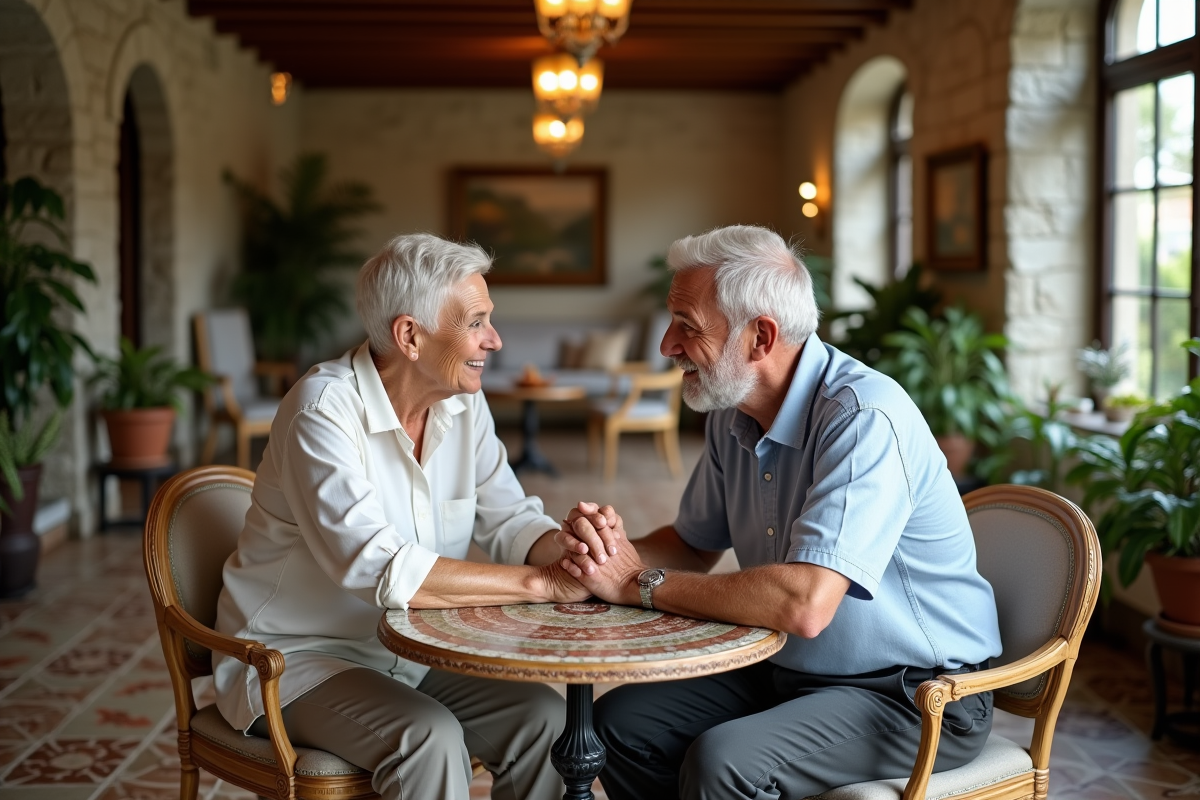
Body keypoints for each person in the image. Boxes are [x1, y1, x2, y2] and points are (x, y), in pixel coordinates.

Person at [555, 225, 1003, 800]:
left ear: (760, 337)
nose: (667, 345)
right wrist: (607, 555)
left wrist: (638, 583)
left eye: (687, 326)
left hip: (917, 695)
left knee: (725, 764)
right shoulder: (732, 411)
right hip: (789, 669)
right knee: (618, 726)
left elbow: (805, 603)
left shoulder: (863, 417)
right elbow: (691, 544)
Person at [213, 233, 603, 800]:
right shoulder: (321, 411)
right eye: (476, 322)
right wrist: (540, 584)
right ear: (410, 336)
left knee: (545, 718)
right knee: (427, 738)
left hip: (409, 651)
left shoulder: (464, 403)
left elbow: (510, 518)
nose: (494, 339)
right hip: (293, 662)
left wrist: (575, 551)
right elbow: (380, 568)